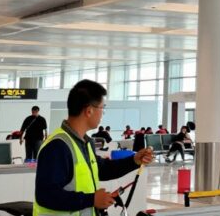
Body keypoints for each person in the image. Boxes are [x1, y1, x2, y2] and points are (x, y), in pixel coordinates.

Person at [34, 79, 154, 215]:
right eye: (102, 108)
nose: (103, 113)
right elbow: (46, 195)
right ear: (89, 111)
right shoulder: (57, 146)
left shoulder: (85, 142)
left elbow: (101, 169)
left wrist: (134, 160)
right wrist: (91, 199)